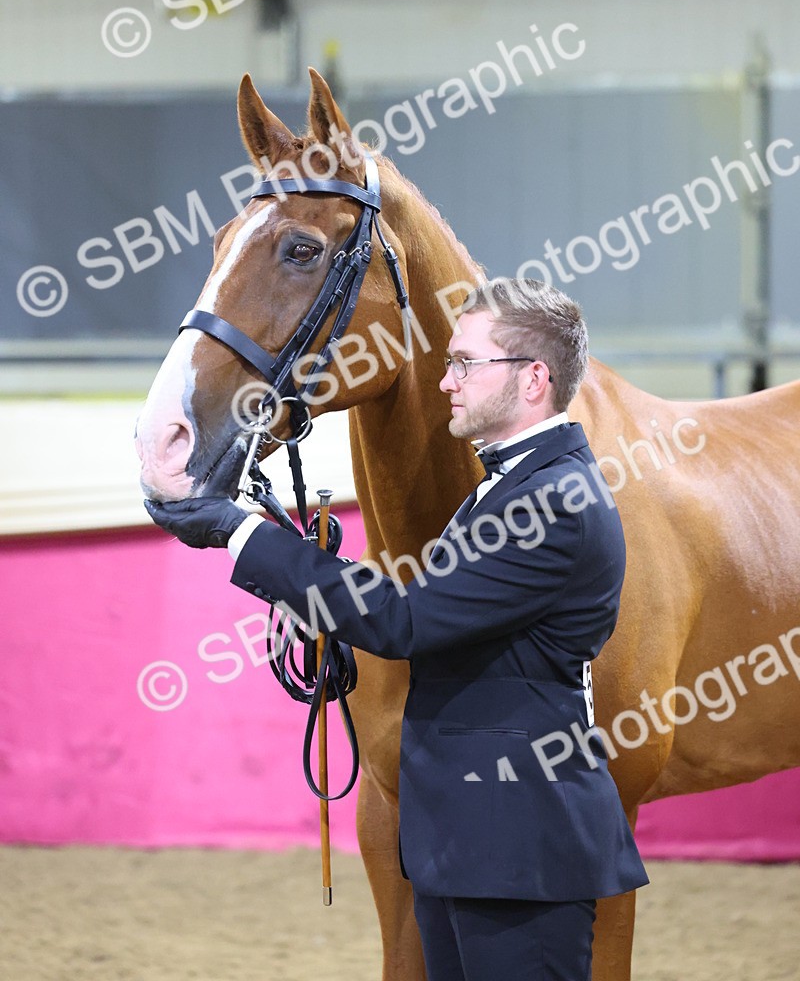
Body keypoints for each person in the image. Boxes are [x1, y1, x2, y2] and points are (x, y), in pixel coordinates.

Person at [145, 277, 648, 981]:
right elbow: (429, 603)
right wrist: (315, 564)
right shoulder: (509, 485)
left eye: (466, 363)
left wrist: (241, 535)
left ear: (534, 379)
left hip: (519, 847)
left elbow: (405, 621)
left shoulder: (552, 501)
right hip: (472, 840)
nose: (446, 381)